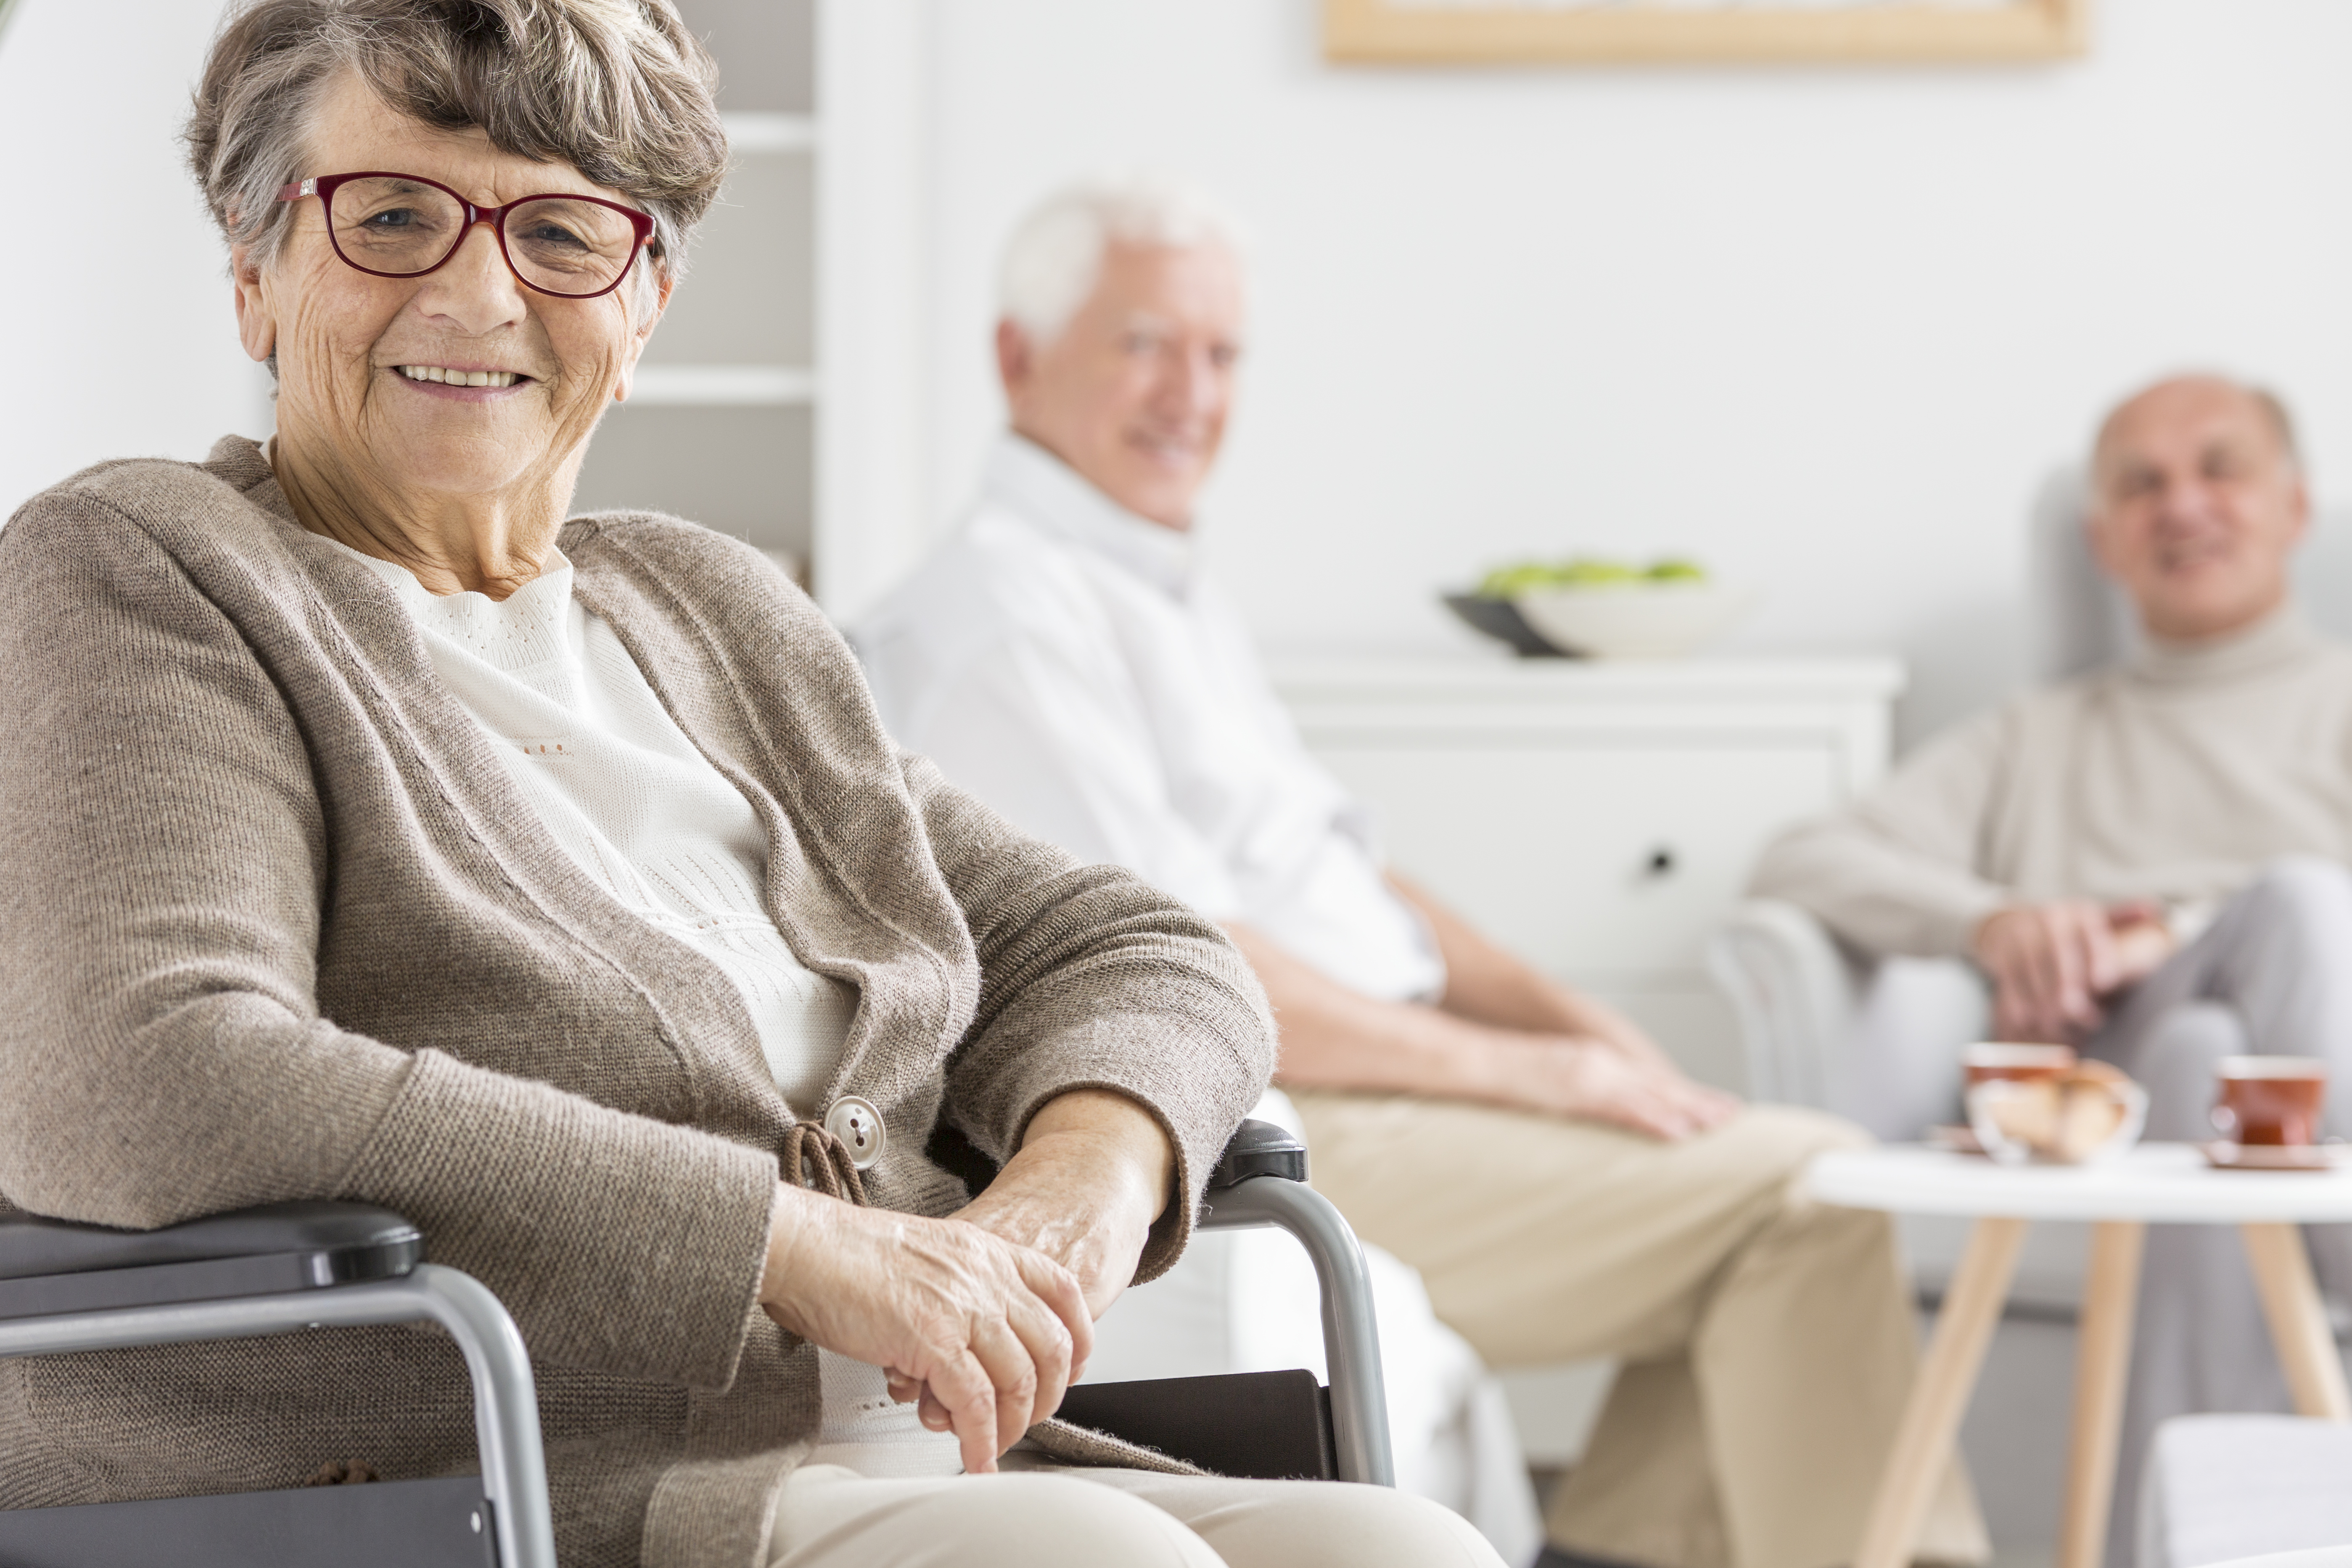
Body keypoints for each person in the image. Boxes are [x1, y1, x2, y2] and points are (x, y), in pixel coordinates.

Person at [0, 6, 1508, 1566]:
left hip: (932, 1449)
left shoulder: (715, 615)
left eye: (566, 234)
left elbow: (1137, 949)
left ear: (642, 306)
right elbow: (152, 1074)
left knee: (1408, 1546)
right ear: (253, 276)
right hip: (494, 1475)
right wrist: (795, 1246)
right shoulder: (146, 573)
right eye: (390, 217)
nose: (474, 290)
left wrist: (1072, 1195)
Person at [853, 175, 1989, 1568]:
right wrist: (1534, 1077)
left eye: (1221, 355)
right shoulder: (1003, 620)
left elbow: (1348, 869)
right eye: (1145, 343)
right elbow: (1168, 972)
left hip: (1389, 1076)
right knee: (1809, 1186)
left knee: (1766, 1215)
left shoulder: (1146, 579)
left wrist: (1565, 1020)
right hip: (1275, 1105)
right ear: (1018, 358)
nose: (1192, 394)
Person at [1752, 372, 2352, 1563]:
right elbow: (1800, 856)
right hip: (2100, 1077)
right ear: (2100, 539)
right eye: (2140, 483)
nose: (2181, 505)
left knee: (2235, 1004)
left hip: (2277, 1065)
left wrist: (2170, 928)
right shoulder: (2038, 737)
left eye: (2217, 468)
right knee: (2216, 989)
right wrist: (1992, 920)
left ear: (2294, 508)